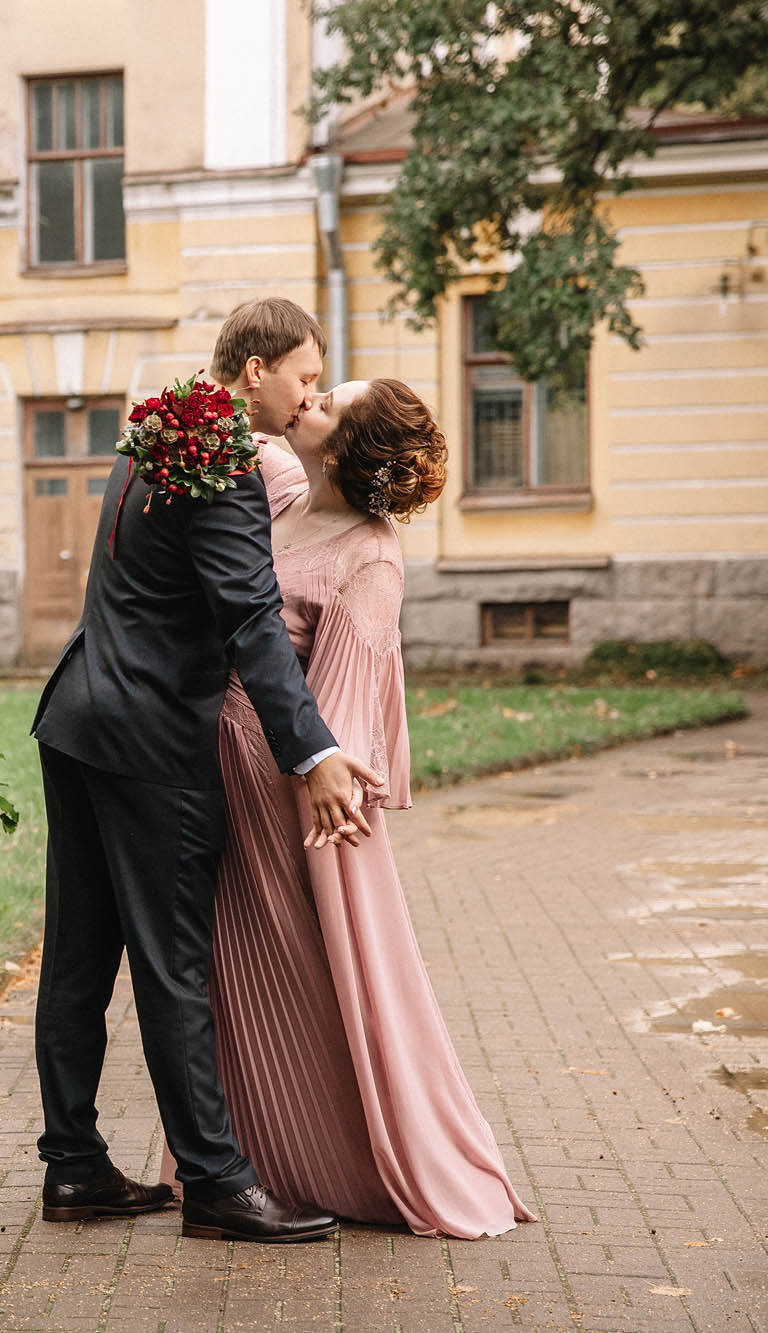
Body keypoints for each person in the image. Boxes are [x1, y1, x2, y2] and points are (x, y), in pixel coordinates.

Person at [30, 298, 384, 1244]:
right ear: (258, 366)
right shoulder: (219, 461)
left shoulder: (156, 431)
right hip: (149, 741)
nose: (310, 392)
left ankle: (74, 1167)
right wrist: (310, 749)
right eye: (306, 375)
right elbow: (250, 621)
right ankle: (219, 1180)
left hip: (77, 715)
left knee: (76, 954)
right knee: (172, 961)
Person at [172, 377, 537, 1239]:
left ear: (343, 445)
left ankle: (325, 1159)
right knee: (232, 967)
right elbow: (234, 411)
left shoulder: (368, 556)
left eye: (325, 399)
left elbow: (339, 706)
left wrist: (316, 783)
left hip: (279, 780)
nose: (306, 400)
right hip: (214, 759)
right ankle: (242, 1156)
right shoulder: (286, 490)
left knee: (293, 965)